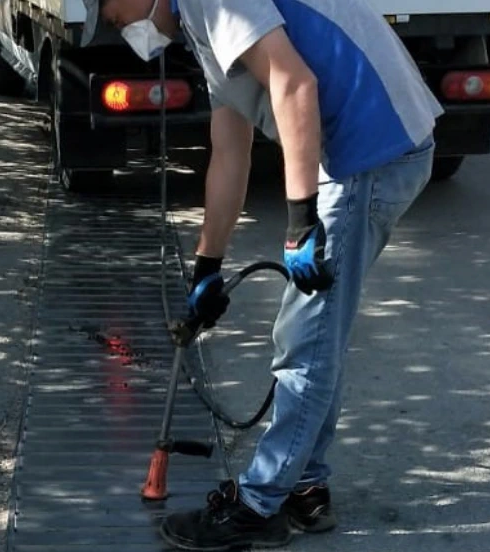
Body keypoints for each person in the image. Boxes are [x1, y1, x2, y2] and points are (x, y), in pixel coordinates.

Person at [83, 0, 445, 549]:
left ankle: (258, 506)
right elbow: (230, 151)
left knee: (306, 337)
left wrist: (301, 223)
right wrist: (207, 266)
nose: (116, 29)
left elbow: (294, 83)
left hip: (370, 146)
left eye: (110, 14)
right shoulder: (201, 28)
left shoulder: (211, 2)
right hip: (365, 145)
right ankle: (305, 483)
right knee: (320, 330)